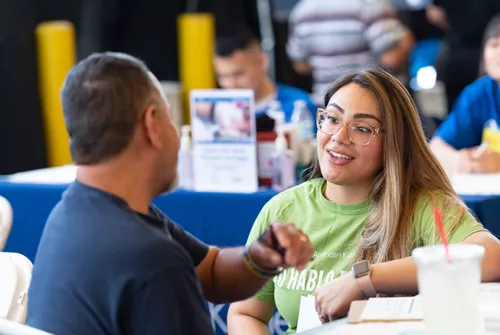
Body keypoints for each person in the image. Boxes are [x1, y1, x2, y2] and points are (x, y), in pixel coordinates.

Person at [26, 52, 314, 335]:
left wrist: (259, 257)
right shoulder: (150, 258)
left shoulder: (74, 212)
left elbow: (211, 270)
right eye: (171, 119)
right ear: (152, 124)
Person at [227, 68, 500, 334]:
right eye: (332, 119)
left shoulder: (422, 206)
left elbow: (491, 257)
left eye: (361, 128)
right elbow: (244, 312)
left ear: (393, 142)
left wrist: (364, 278)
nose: (338, 137)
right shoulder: (284, 208)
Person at [286, 0, 415, 106]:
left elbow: (300, 66)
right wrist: (408, 40)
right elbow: (392, 58)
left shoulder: (302, 11)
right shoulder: (369, 5)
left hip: (328, 105)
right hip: (372, 104)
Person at [430, 14, 500, 174]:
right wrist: (462, 161)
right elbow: (436, 149)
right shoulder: (479, 93)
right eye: (494, 44)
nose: (499, 52)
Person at [214, 27, 317, 125]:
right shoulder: (215, 112)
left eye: (238, 74)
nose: (231, 84)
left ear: (262, 62)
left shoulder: (299, 106)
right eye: (222, 76)